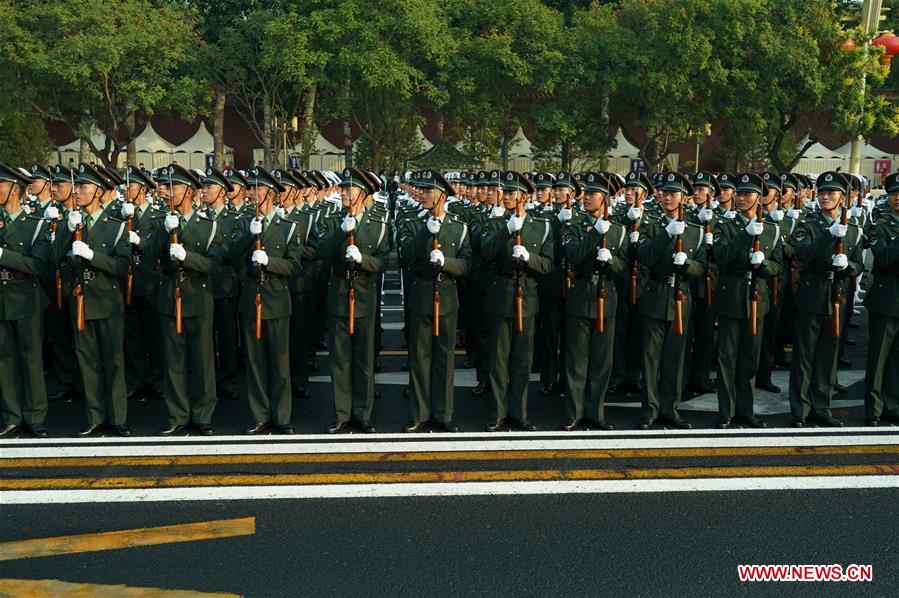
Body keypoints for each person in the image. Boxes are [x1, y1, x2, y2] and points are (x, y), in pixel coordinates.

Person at [52, 163, 131, 437]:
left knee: (113, 360)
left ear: (98, 192)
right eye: (77, 187)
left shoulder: (115, 227)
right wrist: (66, 229)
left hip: (106, 299)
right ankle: (95, 415)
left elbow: (122, 266)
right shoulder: (73, 223)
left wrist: (92, 256)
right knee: (87, 360)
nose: (78, 192)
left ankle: (118, 416)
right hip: (81, 300)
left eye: (83, 187)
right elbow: (55, 259)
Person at [144, 164, 223, 435]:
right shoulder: (162, 221)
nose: (165, 192)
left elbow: (214, 264)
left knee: (202, 361)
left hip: (198, 298)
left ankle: (203, 415)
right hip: (169, 298)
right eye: (164, 187)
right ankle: (177, 414)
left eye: (172, 187)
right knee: (173, 361)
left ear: (189, 191)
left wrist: (186, 256)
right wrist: (166, 231)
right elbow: (148, 254)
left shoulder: (209, 225)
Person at [313, 167, 390, 434]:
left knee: (363, 359)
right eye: (343, 188)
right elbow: (320, 252)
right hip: (339, 294)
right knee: (340, 359)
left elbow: (382, 260)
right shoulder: (334, 220)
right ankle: (342, 413)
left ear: (363, 193)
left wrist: (362, 260)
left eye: (349, 189)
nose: (344, 192)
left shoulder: (378, 223)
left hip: (365, 295)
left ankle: (363, 413)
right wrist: (341, 233)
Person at [397, 169, 471, 432]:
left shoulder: (459, 227)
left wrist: (447, 263)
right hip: (422, 294)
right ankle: (419, 413)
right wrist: (425, 233)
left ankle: (443, 414)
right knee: (420, 357)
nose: (424, 195)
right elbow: (404, 255)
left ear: (442, 196)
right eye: (424, 190)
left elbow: (466, 264)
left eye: (429, 191)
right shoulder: (415, 223)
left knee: (444, 358)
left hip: (448, 297)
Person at [480, 171, 555, 432]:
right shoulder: (495, 221)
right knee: (498, 359)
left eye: (512, 193)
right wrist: (506, 230)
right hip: (501, 293)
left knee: (522, 360)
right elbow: (486, 252)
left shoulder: (541, 225)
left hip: (528, 295)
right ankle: (498, 412)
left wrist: (529, 258)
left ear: (525, 196)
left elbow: (547, 264)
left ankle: (519, 412)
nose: (507, 196)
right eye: (506, 192)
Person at [788, 171, 863, 427]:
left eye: (831, 193)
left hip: (838, 295)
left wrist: (848, 266)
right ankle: (800, 408)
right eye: (822, 192)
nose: (825, 197)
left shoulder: (852, 229)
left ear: (843, 197)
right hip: (812, 291)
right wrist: (827, 235)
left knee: (828, 355)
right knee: (804, 354)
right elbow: (802, 255)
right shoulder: (808, 224)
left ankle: (821, 406)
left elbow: (859, 265)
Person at [231, 167, 303, 434]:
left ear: (270, 194)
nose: (251, 193)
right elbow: (233, 256)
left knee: (279, 361)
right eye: (250, 188)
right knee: (255, 361)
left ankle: (282, 416)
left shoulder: (287, 227)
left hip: (276, 299)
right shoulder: (244, 223)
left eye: (257, 189)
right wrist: (251, 235)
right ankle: (260, 414)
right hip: (251, 299)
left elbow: (294, 266)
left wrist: (269, 262)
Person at [636, 171, 707, 430]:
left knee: (675, 358)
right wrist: (666, 233)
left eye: (673, 194)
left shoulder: (696, 231)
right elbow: (644, 256)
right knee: (650, 357)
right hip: (655, 295)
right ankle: (650, 410)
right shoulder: (651, 224)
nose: (667, 197)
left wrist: (687, 265)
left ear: (684, 199)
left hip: (680, 297)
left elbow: (702, 268)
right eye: (664, 193)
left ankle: (670, 408)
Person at [713, 173, 784, 428]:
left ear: (759, 198)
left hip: (758, 297)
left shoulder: (772, 229)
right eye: (739, 194)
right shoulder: (725, 225)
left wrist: (765, 265)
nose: (742, 198)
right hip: (732, 294)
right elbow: (720, 257)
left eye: (748, 194)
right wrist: (745, 234)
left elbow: (779, 266)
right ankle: (726, 411)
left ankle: (746, 409)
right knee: (727, 358)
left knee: (750, 359)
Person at [561, 172, 627, 431]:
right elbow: (574, 255)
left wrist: (612, 260)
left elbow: (624, 266)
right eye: (586, 194)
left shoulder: (618, 229)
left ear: (606, 199)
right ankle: (574, 412)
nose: (586, 198)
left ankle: (595, 411)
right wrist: (593, 235)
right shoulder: (574, 225)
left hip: (606, 295)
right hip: (581, 293)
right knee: (577, 359)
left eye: (593, 194)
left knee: (601, 361)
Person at [0, 163, 51, 438]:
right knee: (4, 360)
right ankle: (11, 415)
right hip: (1, 297)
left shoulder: (35, 225)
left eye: (1, 186)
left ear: (15, 191)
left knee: (30, 358)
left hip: (25, 297)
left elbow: (40, 265)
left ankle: (35, 415)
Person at [862, 171, 899, 426]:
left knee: (897, 358)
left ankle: (892, 404)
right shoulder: (879, 225)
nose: (898, 199)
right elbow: (884, 259)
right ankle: (873, 408)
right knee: (878, 358)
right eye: (895, 194)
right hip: (886, 299)